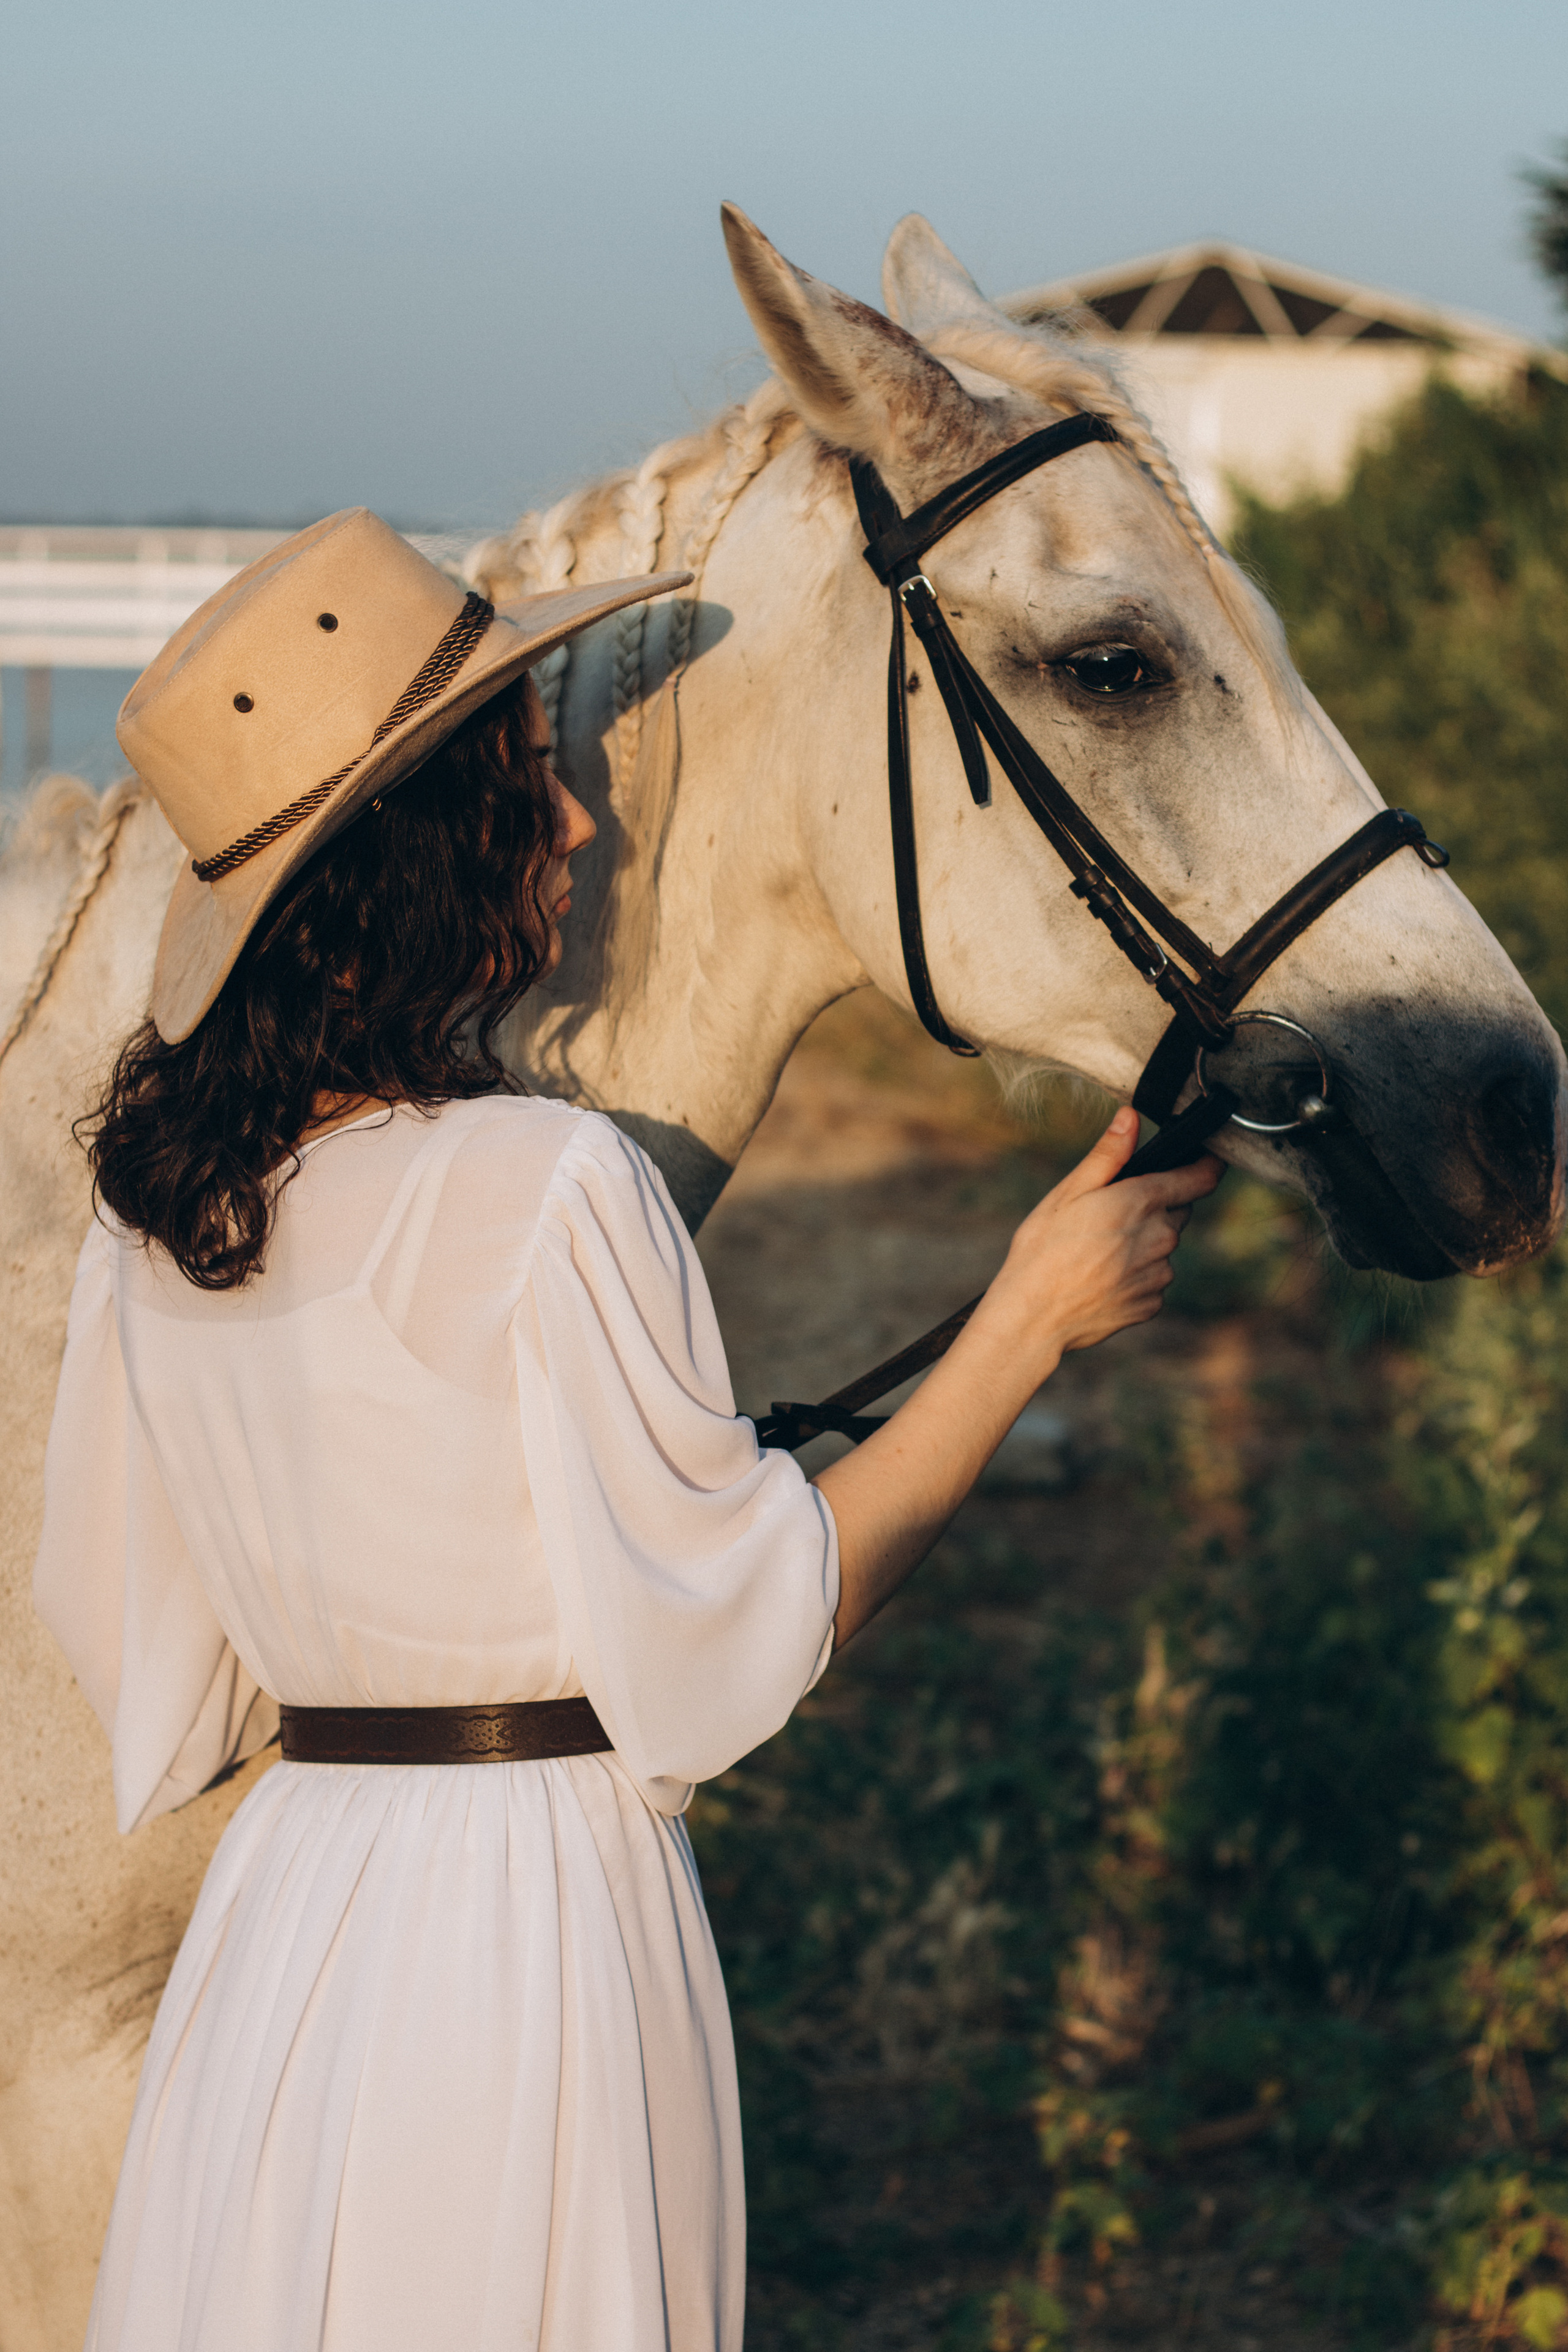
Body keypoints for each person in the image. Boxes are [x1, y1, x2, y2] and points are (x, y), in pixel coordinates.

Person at [34, 508, 1220, 2352]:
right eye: (529, 786)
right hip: (526, 1922)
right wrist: (1030, 1319)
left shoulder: (161, 1226)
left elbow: (159, 1678)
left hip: (289, 1922)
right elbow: (745, 1638)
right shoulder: (554, 1183)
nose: (579, 824)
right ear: (430, 851)